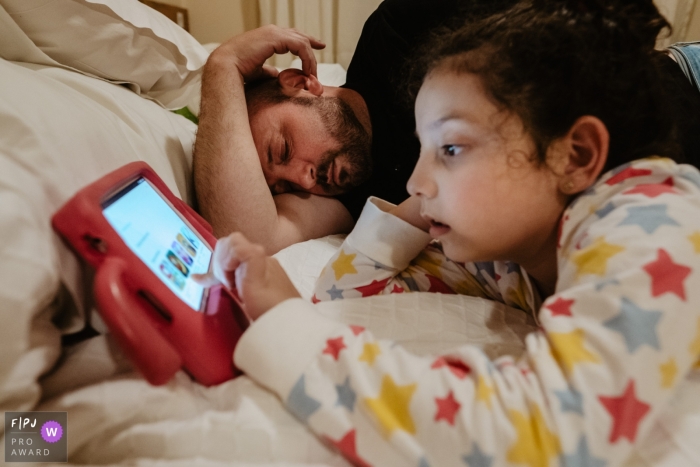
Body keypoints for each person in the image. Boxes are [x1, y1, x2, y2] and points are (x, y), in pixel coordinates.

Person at [195, 0, 700, 465]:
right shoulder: (510, 259)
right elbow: (345, 292)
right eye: (423, 151)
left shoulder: (644, 225)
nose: (413, 183)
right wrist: (420, 209)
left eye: (451, 149)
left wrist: (290, 332)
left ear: (575, 155)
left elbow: (544, 435)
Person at [193, 0, 526, 254]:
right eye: (282, 188)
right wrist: (224, 65)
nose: (303, 180)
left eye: (283, 150)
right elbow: (249, 240)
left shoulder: (394, 33)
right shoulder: (347, 198)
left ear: (302, 83)